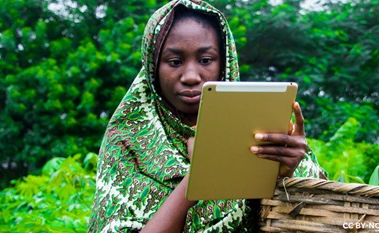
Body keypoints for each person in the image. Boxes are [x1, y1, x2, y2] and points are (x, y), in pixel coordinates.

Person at [87, 0, 326, 232]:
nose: (191, 75)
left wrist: (288, 175)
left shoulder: (263, 130)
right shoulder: (128, 139)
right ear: (152, 67)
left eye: (205, 60)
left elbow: (324, 219)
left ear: (224, 64)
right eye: (174, 61)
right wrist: (202, 173)